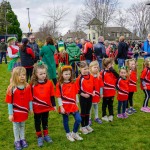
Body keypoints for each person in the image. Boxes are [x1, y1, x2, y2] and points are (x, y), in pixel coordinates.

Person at [5, 67, 33, 150]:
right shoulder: (12, 88)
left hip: (23, 111)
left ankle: (22, 138)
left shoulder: (27, 87)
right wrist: (10, 114)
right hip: (15, 112)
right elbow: (9, 103)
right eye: (19, 75)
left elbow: (30, 99)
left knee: (22, 125)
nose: (22, 77)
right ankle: (17, 140)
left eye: (24, 75)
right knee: (16, 126)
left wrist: (30, 108)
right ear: (14, 76)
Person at [30, 61, 56, 147]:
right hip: (37, 107)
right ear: (36, 74)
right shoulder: (33, 84)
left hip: (46, 107)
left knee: (45, 121)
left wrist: (54, 105)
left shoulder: (49, 83)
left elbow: (52, 95)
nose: (43, 75)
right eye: (41, 74)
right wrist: (30, 107)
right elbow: (29, 96)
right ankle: (39, 137)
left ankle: (46, 135)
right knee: (37, 122)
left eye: (44, 73)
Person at [55, 65, 83, 142]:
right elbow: (58, 96)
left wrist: (77, 103)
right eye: (66, 74)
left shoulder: (73, 83)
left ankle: (74, 133)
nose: (67, 76)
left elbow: (75, 94)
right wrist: (61, 106)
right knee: (66, 120)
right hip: (65, 105)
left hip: (73, 105)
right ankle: (68, 134)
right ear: (61, 74)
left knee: (78, 119)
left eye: (69, 74)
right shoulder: (59, 84)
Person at [76, 61, 95, 134]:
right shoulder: (79, 78)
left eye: (87, 69)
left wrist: (93, 91)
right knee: (83, 112)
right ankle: (82, 126)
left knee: (88, 111)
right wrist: (83, 94)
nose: (86, 70)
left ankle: (87, 125)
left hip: (90, 97)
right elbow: (77, 89)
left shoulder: (91, 76)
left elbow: (93, 85)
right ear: (80, 69)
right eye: (84, 69)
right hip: (83, 97)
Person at [89, 61, 104, 125]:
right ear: (90, 68)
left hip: (97, 95)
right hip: (90, 95)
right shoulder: (89, 77)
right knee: (90, 107)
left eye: (97, 67)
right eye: (94, 67)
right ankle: (88, 118)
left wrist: (101, 93)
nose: (96, 69)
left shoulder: (99, 76)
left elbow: (101, 86)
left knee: (96, 105)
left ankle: (96, 117)